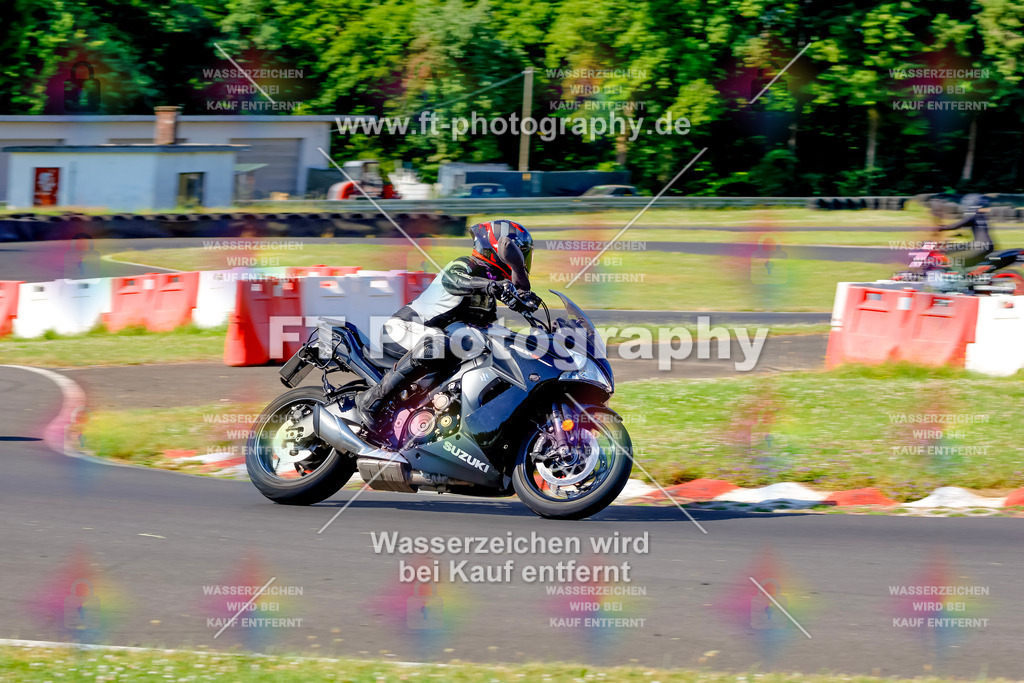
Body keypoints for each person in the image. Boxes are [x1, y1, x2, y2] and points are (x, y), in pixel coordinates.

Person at [355, 219, 540, 435]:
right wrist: (491, 286)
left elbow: (489, 330)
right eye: (521, 253)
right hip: (403, 329)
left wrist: (528, 338)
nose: (524, 259)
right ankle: (370, 401)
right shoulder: (466, 265)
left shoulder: (489, 293)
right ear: (499, 249)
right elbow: (455, 282)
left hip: (434, 342)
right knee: (439, 343)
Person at [935, 193, 994, 270]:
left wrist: (940, 228)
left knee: (952, 258)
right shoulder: (980, 216)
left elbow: (955, 226)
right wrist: (956, 236)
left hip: (980, 247)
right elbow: (970, 230)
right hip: (984, 246)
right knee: (951, 249)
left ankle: (962, 279)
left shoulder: (973, 215)